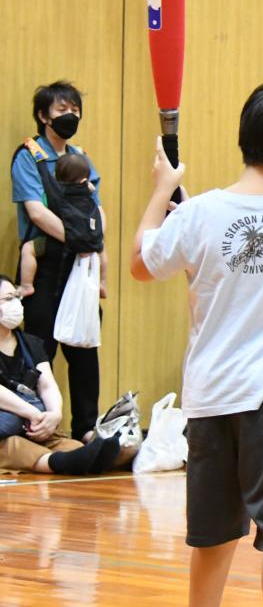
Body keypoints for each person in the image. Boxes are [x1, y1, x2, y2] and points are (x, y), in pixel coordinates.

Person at [130, 79, 263, 607]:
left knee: (215, 530)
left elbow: (140, 264)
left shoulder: (197, 214)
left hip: (209, 397)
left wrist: (162, 192)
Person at [10, 81, 105, 440]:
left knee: (84, 348)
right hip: (46, 263)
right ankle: (32, 426)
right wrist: (80, 238)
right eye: (63, 110)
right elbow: (36, 212)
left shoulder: (80, 155)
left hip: (80, 267)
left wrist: (95, 238)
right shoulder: (29, 156)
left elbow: (96, 207)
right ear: (42, 115)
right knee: (39, 349)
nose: (71, 117)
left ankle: (86, 429)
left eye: (75, 111)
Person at [0, 275, 120, 474]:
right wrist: (31, 413)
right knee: (13, 446)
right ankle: (57, 463)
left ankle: (85, 457)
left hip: (32, 423)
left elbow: (46, 384)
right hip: (10, 428)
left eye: (16, 297)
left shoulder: (30, 343)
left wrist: (54, 414)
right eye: (8, 299)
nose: (15, 304)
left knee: (69, 446)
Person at [19, 153, 106, 298]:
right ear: (85, 179)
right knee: (102, 252)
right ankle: (102, 283)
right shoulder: (89, 190)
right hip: (90, 240)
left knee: (28, 249)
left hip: (62, 239)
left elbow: (41, 209)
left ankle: (26, 285)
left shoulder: (58, 192)